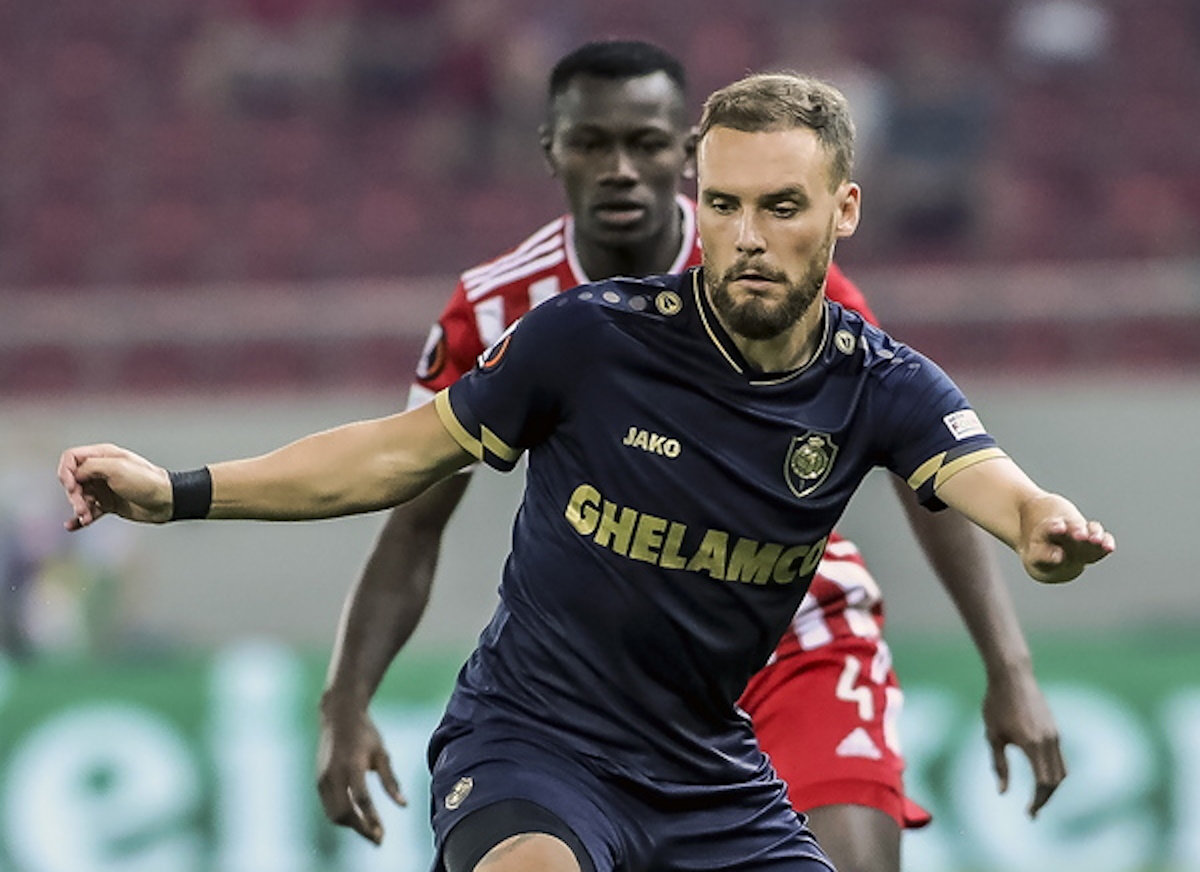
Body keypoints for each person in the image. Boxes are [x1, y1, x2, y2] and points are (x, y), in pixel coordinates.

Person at [58, 72, 1115, 872]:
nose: (746, 237)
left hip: (708, 770)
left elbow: (986, 479)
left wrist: (1039, 527)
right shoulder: (586, 339)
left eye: (782, 208)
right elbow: (390, 456)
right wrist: (178, 490)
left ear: (843, 212)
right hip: (533, 741)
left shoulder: (882, 382)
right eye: (726, 204)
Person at [316, 40, 1065, 872]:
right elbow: (412, 518)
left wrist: (1010, 667)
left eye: (646, 145)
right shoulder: (501, 307)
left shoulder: (788, 282)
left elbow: (929, 473)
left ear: (685, 156)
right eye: (592, 144)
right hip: (613, 661)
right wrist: (345, 702)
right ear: (551, 151)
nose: (621, 170)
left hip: (795, 631)